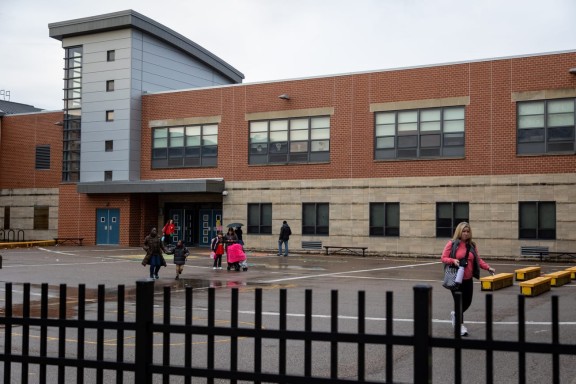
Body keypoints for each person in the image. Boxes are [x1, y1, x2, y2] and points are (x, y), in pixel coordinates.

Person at [441, 222, 495, 336]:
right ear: (459, 232)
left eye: (468, 231)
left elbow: (478, 260)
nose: (466, 233)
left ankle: (455, 314)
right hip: (455, 278)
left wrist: (488, 267)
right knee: (459, 302)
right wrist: (453, 260)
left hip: (468, 279)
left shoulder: (472, 246)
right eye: (464, 231)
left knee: (468, 302)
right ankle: (460, 326)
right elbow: (444, 258)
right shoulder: (452, 244)